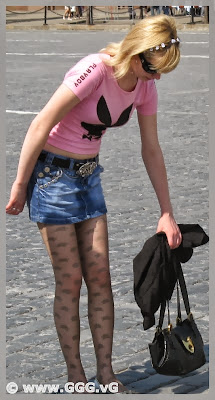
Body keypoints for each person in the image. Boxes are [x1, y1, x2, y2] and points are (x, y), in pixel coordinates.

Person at [6, 15, 182, 393]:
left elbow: (151, 148)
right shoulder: (94, 70)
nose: (158, 78)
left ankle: (107, 374)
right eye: (155, 69)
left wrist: (166, 212)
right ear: (136, 54)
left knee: (100, 277)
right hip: (52, 179)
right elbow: (41, 123)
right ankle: (76, 377)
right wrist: (21, 185)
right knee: (69, 282)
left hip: (89, 180)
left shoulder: (145, 86)